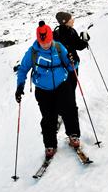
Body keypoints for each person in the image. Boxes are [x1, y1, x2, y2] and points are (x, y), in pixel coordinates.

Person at [15, 21, 81, 158]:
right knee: (48, 117)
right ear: (38, 40)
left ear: (51, 38)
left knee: (69, 109)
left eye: (48, 41)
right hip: (43, 90)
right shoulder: (32, 52)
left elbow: (70, 66)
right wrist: (20, 86)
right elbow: (22, 70)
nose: (45, 45)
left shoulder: (58, 47)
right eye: (42, 42)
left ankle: (73, 135)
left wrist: (73, 60)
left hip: (62, 85)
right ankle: (50, 145)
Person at [53, 11, 90, 94]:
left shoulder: (56, 34)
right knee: (71, 88)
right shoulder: (71, 32)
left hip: (60, 67)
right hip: (72, 65)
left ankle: (66, 105)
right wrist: (85, 41)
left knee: (65, 89)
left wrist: (83, 41)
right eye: (70, 19)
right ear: (65, 22)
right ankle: (70, 106)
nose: (73, 20)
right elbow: (79, 46)